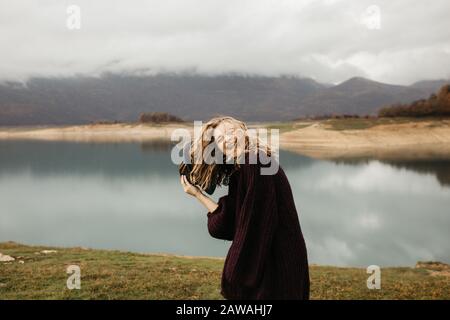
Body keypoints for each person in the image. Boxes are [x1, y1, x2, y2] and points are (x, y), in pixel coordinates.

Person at [180, 116, 310, 299]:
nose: (228, 138)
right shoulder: (241, 171)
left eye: (231, 131)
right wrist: (198, 195)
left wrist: (235, 275)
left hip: (277, 260)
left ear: (242, 128)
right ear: (218, 150)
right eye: (220, 139)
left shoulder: (255, 160)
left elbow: (255, 225)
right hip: (270, 258)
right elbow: (230, 223)